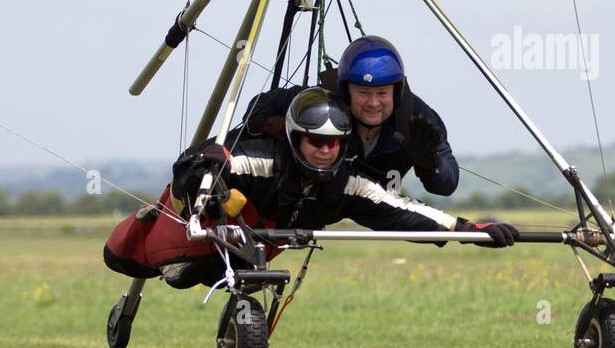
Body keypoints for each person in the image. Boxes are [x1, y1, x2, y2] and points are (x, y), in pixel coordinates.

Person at [105, 88, 515, 291]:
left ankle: (213, 274)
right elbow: (199, 164)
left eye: (334, 142)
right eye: (315, 141)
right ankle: (165, 255)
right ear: (296, 139)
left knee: (230, 270)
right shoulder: (261, 159)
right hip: (194, 225)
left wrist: (470, 230)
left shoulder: (348, 183)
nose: (324, 150)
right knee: (124, 257)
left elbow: (402, 209)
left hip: (252, 247)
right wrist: (200, 179)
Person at [232, 35, 459, 197]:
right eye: (363, 92)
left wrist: (431, 163)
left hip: (373, 200)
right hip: (326, 194)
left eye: (382, 93)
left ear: (396, 91)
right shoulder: (321, 104)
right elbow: (258, 106)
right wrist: (277, 127)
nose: (373, 103)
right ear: (346, 91)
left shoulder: (418, 119)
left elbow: (447, 184)